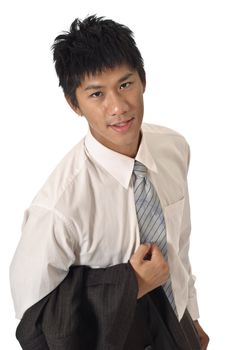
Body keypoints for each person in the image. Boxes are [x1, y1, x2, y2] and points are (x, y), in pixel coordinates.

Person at [10, 15, 209, 349]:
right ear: (74, 104)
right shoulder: (58, 207)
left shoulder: (174, 149)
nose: (118, 107)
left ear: (143, 80)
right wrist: (131, 284)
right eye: (97, 94)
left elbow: (180, 243)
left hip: (174, 332)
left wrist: (191, 315)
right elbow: (36, 321)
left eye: (125, 84)